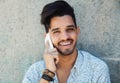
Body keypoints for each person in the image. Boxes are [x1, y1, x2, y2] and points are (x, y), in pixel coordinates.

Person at [22, 0, 111, 83]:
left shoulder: (97, 68)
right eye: (56, 31)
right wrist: (48, 73)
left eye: (70, 29)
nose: (65, 37)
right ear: (47, 38)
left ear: (77, 31)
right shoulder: (35, 71)